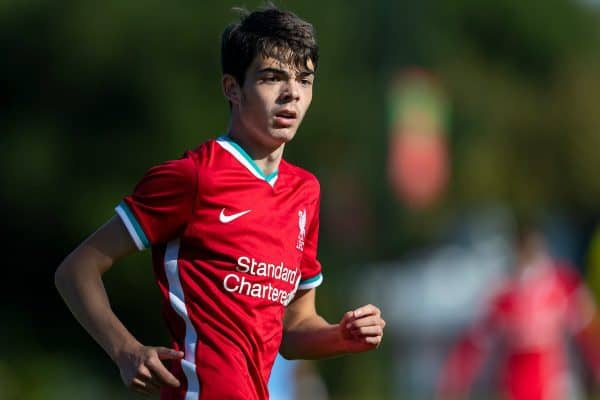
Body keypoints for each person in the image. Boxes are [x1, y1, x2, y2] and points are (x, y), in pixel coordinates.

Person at [54, 5, 385, 400]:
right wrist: (125, 349)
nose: (291, 93)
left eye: (304, 79)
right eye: (271, 77)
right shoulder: (194, 177)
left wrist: (341, 337)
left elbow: (292, 331)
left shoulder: (305, 191)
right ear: (232, 88)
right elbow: (77, 269)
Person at [437, 224, 600, 400]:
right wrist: (456, 382)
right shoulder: (505, 294)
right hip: (515, 384)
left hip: (553, 383)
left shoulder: (563, 284)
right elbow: (476, 342)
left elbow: (588, 332)